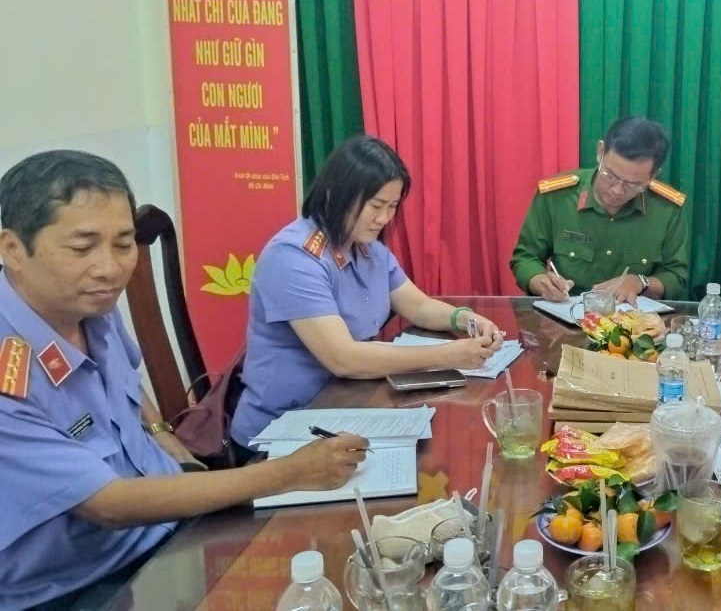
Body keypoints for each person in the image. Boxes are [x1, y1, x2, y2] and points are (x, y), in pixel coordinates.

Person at [0, 150, 367, 610]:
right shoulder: (11, 367)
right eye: (82, 248)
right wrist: (288, 473)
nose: (109, 267)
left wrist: (162, 435)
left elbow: (126, 382)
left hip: (169, 526)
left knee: (347, 556)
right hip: (83, 582)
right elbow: (108, 504)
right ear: (13, 249)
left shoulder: (86, 301)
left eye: (123, 244)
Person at [231, 135, 503, 454]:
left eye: (392, 207)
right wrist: (448, 355)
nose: (384, 219)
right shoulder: (294, 257)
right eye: (375, 206)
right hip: (283, 431)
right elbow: (343, 358)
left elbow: (417, 305)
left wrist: (465, 319)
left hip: (346, 407)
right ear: (336, 195)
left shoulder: (368, 248)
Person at [510, 116, 690, 303]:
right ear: (600, 151)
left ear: (653, 176)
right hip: (567, 310)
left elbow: (676, 276)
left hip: (632, 317)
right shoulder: (557, 197)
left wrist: (640, 282)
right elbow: (526, 257)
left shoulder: (666, 209)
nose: (617, 190)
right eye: (610, 176)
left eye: (633, 184)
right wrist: (541, 283)